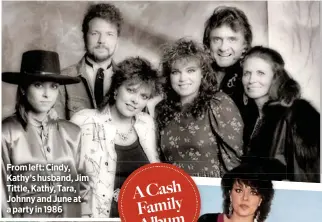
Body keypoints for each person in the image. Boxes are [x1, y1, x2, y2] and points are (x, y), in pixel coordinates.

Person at [2, 50, 90, 218]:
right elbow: (2, 197)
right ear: (22, 88)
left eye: (53, 86)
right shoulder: (6, 132)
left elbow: (83, 187)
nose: (47, 94)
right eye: (38, 85)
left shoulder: (73, 133)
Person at [70, 57, 161, 218]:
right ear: (116, 88)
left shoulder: (146, 124)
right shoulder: (84, 121)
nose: (135, 100)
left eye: (144, 96)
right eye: (131, 90)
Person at [155, 39, 244, 178]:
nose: (183, 78)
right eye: (176, 72)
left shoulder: (218, 103)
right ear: (169, 76)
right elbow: (158, 162)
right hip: (175, 192)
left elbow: (235, 162)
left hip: (213, 192)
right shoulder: (161, 110)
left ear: (202, 73)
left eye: (190, 70)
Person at [241, 46, 320, 183]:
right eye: (247, 73)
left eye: (261, 73)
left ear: (275, 77)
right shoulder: (250, 118)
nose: (251, 79)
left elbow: (306, 174)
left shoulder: (297, 112)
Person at [55, 3, 123, 120]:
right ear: (84, 36)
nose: (101, 40)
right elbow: (55, 129)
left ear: (117, 39)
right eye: (95, 33)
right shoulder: (63, 79)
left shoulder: (128, 80)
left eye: (109, 34)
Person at [203, 6, 255, 121]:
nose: (223, 47)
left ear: (245, 46)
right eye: (217, 39)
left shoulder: (252, 77)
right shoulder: (197, 75)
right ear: (208, 44)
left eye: (232, 39)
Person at [198, 162, 275, 222]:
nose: (245, 198)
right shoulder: (207, 220)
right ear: (230, 194)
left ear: (260, 200)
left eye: (253, 193)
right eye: (239, 190)